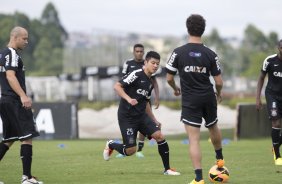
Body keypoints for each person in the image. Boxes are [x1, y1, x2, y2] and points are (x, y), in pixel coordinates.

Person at [165, 14, 225, 184]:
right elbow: (219, 82)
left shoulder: (178, 53)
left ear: (187, 29)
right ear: (203, 30)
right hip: (208, 96)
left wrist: (175, 89)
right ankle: (219, 159)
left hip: (190, 100)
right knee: (213, 126)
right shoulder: (211, 54)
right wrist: (218, 93)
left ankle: (199, 179)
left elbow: (169, 78)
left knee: (194, 139)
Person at [103, 51, 180, 176]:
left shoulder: (150, 82)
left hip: (141, 116)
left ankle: (167, 169)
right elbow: (117, 86)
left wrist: (154, 119)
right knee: (130, 150)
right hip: (127, 116)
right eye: (153, 63)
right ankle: (111, 144)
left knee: (159, 136)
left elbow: (146, 103)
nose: (155, 66)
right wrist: (128, 99)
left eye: (157, 64)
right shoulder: (136, 74)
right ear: (146, 62)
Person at [0, 27, 41, 184]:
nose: (26, 41)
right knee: (27, 137)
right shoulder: (11, 54)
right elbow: (10, 76)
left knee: (8, 139)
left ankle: (27, 177)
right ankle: (27, 178)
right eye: (24, 38)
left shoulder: (3, 54)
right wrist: (23, 95)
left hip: (5, 100)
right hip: (14, 101)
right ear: (15, 37)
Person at [116, 43, 160, 158]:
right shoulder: (129, 65)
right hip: (129, 106)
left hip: (142, 103)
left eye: (141, 51)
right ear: (134, 52)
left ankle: (140, 149)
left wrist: (157, 97)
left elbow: (153, 83)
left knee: (155, 132)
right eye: (137, 51)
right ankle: (127, 146)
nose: (139, 53)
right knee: (130, 145)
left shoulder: (150, 72)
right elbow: (121, 83)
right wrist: (128, 98)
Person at [256, 39, 282, 165]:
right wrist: (258, 98)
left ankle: (275, 146)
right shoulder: (269, 61)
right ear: (278, 48)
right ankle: (277, 155)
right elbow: (261, 78)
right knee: (276, 123)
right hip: (272, 95)